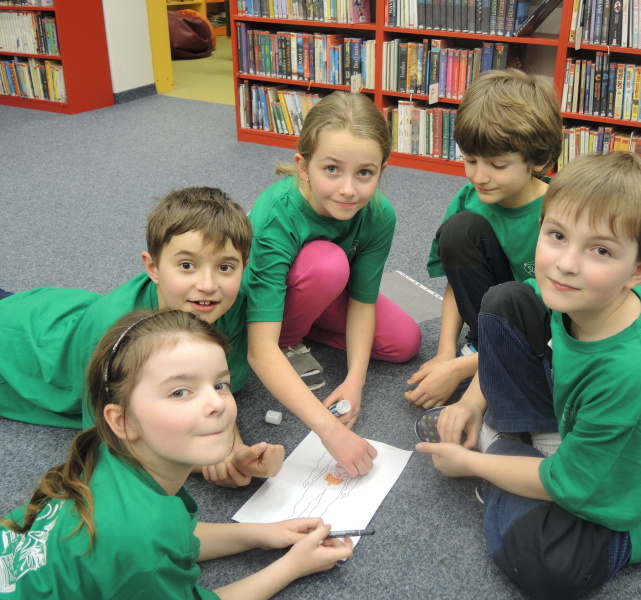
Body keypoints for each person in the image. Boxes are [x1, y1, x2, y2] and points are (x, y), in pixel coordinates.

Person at [416, 152, 641, 599]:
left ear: (639, 269)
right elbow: (511, 325)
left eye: (601, 250)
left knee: (545, 565)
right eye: (557, 235)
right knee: (505, 302)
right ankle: (528, 448)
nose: (566, 264)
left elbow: (572, 485)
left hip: (627, 496)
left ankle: (501, 445)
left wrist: (472, 464)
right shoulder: (575, 295)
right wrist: (470, 402)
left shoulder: (633, 372)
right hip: (584, 429)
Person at [0, 310, 353, 599]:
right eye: (180, 392)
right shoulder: (140, 536)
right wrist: (293, 566)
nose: (217, 403)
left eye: (220, 384)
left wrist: (260, 534)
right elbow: (152, 544)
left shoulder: (113, 456)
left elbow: (178, 537)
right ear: (122, 420)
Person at [0, 187, 277, 487]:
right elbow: (110, 442)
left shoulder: (227, 305)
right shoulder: (114, 333)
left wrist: (234, 450)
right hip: (22, 342)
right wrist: (208, 461)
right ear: (153, 268)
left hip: (65, 311)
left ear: (243, 267)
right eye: (187, 265)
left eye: (225, 267)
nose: (208, 285)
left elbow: (215, 388)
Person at [244, 91, 422, 477]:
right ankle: (289, 338)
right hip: (265, 303)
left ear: (381, 171)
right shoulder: (277, 214)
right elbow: (258, 351)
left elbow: (362, 301)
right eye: (332, 169)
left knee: (405, 342)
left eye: (364, 173)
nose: (348, 189)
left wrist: (354, 381)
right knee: (327, 265)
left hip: (321, 290)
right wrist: (329, 430)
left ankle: (305, 323)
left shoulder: (379, 214)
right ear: (304, 167)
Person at [405, 69, 563, 409]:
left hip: (550, 330)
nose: (479, 176)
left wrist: (462, 368)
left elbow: (567, 318)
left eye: (498, 165)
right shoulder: (469, 199)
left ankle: (498, 363)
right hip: (494, 317)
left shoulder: (559, 215)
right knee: (460, 229)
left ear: (539, 160)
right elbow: (456, 284)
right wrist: (445, 353)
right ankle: (484, 350)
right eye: (470, 160)